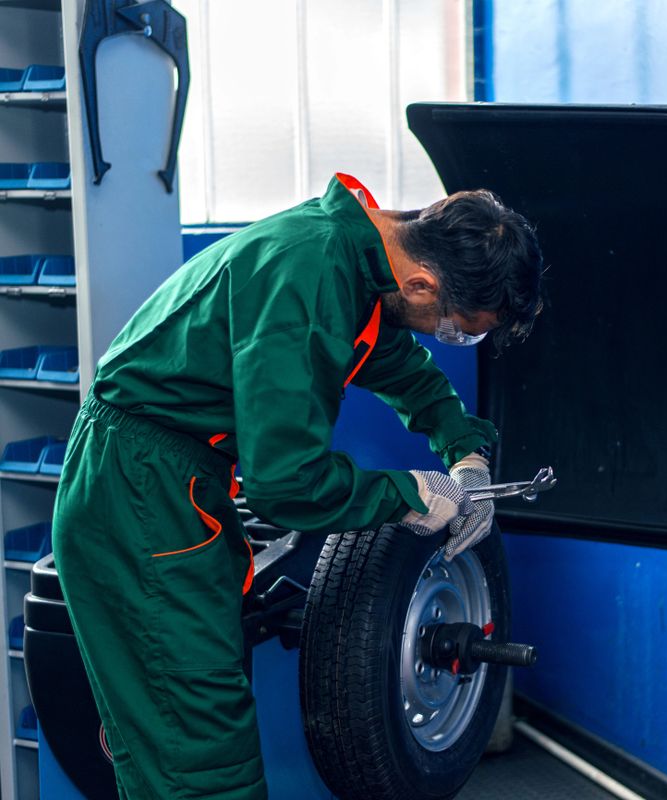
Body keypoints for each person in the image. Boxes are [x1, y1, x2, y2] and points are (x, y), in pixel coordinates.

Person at [52, 172, 543, 799]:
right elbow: (286, 484)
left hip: (171, 483)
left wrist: (465, 454)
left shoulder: (358, 258)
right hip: (140, 492)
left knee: (177, 735)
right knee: (200, 758)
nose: (444, 338)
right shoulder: (308, 278)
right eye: (455, 328)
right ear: (421, 282)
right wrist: (415, 494)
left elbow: (405, 371)